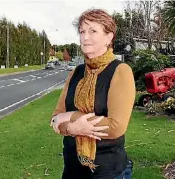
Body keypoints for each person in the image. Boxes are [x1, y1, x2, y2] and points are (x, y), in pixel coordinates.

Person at [50, 9, 135, 179]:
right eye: (82, 31)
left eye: (92, 31)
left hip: (108, 172)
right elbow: (56, 118)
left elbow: (116, 126)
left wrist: (72, 116)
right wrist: (73, 128)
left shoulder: (120, 71)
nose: (84, 37)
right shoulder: (76, 72)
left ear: (109, 37)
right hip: (72, 170)